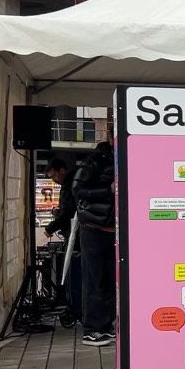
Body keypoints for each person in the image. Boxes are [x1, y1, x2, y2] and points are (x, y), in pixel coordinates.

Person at [74, 142, 117, 346]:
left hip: (112, 230)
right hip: (94, 228)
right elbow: (77, 189)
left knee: (109, 281)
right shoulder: (94, 161)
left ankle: (105, 326)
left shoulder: (125, 158)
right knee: (94, 280)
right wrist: (107, 189)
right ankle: (92, 329)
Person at [45, 158, 80, 323]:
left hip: (77, 237)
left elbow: (68, 213)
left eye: (54, 177)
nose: (54, 181)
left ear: (62, 170)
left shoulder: (70, 185)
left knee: (75, 274)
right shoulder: (72, 183)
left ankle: (76, 309)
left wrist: (51, 227)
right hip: (75, 234)